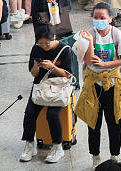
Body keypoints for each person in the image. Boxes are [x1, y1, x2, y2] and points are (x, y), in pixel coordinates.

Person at [75, 2, 121, 168]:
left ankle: (114, 155)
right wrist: (90, 42)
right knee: (93, 122)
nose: (99, 21)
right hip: (93, 85)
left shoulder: (117, 34)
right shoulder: (87, 35)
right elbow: (88, 60)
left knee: (114, 121)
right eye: (96, 17)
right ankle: (95, 156)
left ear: (110, 18)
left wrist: (106, 65)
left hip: (112, 84)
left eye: (102, 17)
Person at [19, 22, 74, 164]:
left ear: (54, 37)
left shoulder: (65, 50)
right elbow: (33, 74)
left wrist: (52, 67)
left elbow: (68, 75)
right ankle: (29, 144)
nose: (44, 46)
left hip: (59, 87)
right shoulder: (36, 49)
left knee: (52, 114)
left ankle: (57, 146)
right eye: (41, 43)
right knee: (30, 113)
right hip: (41, 86)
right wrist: (36, 66)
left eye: (47, 43)